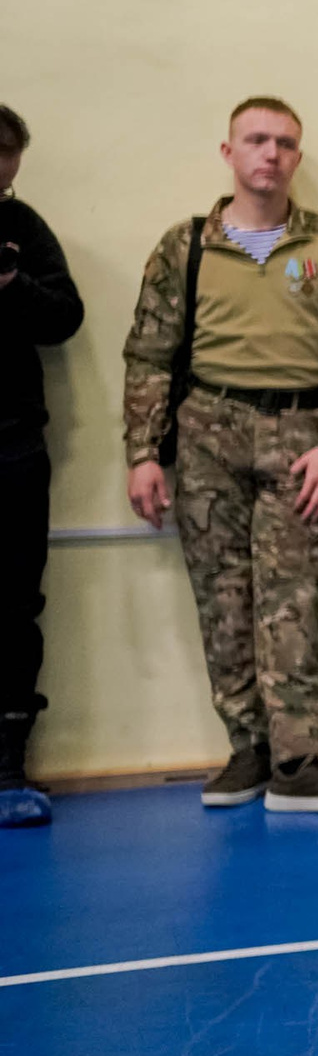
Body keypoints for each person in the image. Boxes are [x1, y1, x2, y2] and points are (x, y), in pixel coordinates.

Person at [122, 97, 318, 813]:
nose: (271, 153)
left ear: (298, 158)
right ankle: (250, 749)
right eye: (257, 140)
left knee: (291, 600)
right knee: (223, 600)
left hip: (300, 440)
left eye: (285, 143)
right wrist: (143, 452)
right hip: (208, 432)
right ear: (228, 151)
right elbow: (148, 352)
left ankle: (299, 761)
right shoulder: (187, 247)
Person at [0, 106, 83, 827]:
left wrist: (11, 284)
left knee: (15, 610)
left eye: (6, 154)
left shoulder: (22, 229)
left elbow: (65, 316)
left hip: (13, 445)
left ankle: (6, 769)